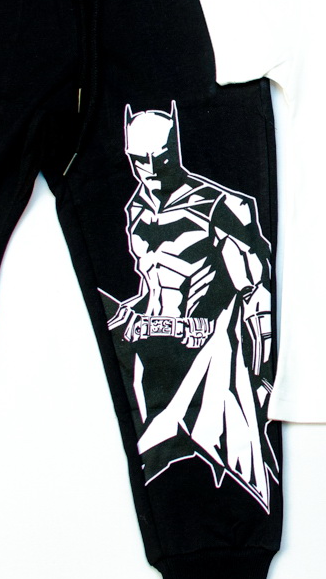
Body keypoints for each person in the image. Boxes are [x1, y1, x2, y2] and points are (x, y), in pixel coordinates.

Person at [101, 102, 278, 508]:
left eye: (160, 158)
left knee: (234, 474)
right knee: (151, 462)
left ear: (175, 149)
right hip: (150, 357)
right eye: (139, 160)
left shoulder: (219, 208)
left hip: (210, 358)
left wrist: (264, 377)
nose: (150, 170)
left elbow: (256, 292)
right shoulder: (135, 210)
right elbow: (152, 284)